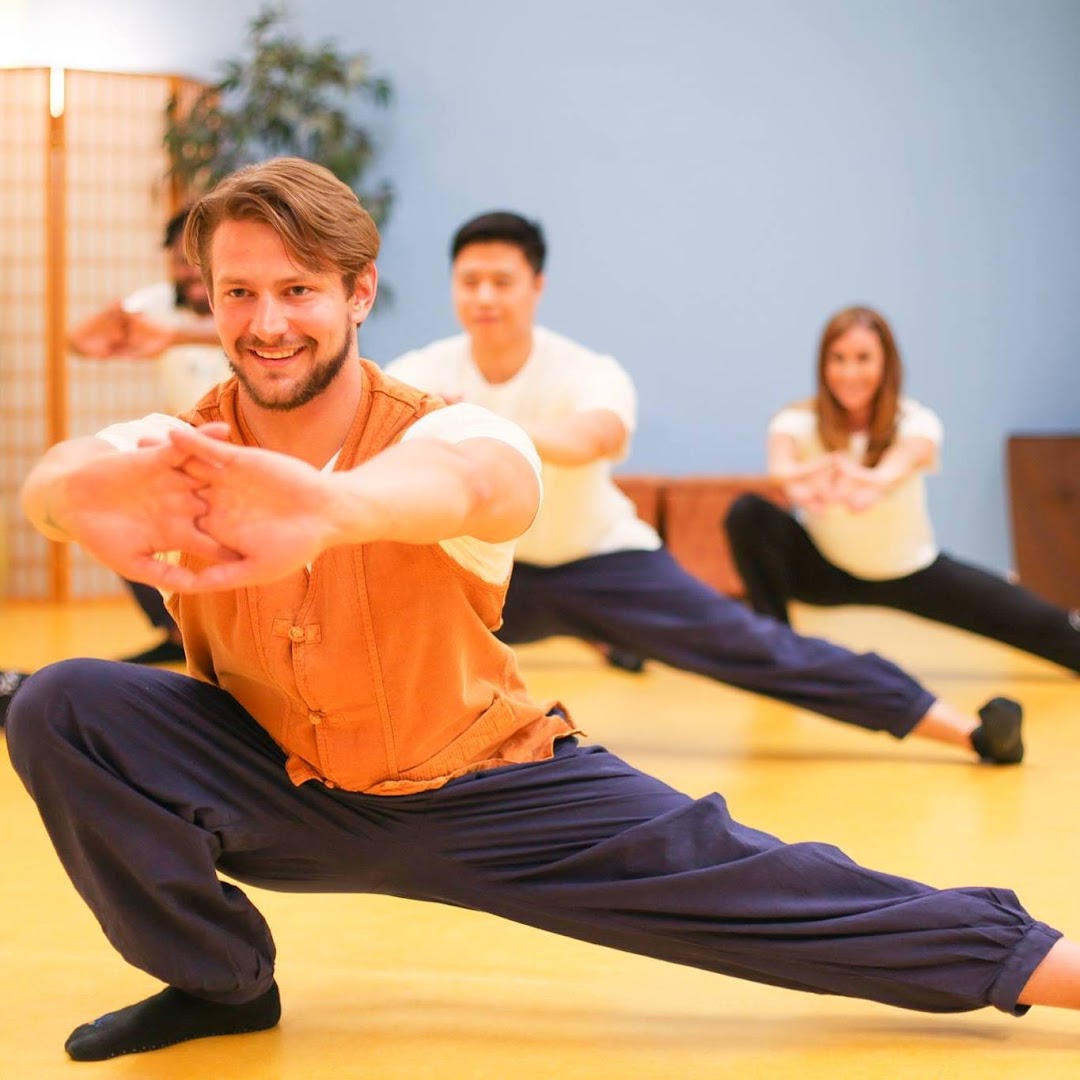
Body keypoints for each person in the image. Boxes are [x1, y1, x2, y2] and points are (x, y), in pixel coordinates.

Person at [12, 159, 1080, 1065]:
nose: (266, 322)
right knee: (59, 702)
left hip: (491, 797)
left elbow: (481, 479)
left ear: (359, 294)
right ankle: (222, 982)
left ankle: (1047, 963)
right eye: (238, 294)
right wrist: (70, 506)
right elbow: (64, 472)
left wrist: (333, 510)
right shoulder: (187, 436)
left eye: (297, 290)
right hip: (282, 785)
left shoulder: (443, 423)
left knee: (768, 886)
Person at [386, 212, 1021, 767]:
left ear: (536, 287)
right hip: (488, 575)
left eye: (503, 281)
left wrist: (469, 424)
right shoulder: (420, 371)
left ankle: (967, 731)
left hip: (602, 565)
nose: (485, 296)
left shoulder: (587, 371)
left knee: (756, 649)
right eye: (471, 282)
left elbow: (593, 437)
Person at [724, 305, 1080, 674]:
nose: (850, 372)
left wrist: (868, 483)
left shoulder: (915, 421)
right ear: (823, 364)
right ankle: (778, 652)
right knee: (747, 513)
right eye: (838, 358)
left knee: (1041, 623)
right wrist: (803, 486)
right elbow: (780, 469)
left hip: (909, 571)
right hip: (825, 570)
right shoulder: (796, 420)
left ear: (886, 364)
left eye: (863, 359)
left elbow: (899, 465)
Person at [68, 207, 230, 665]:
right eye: (179, 259)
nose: (189, 270)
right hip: (188, 445)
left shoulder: (238, 296)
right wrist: (107, 322)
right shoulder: (159, 302)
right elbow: (77, 341)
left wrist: (174, 336)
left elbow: (240, 333)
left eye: (198, 258)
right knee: (116, 505)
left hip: (255, 448)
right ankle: (176, 632)